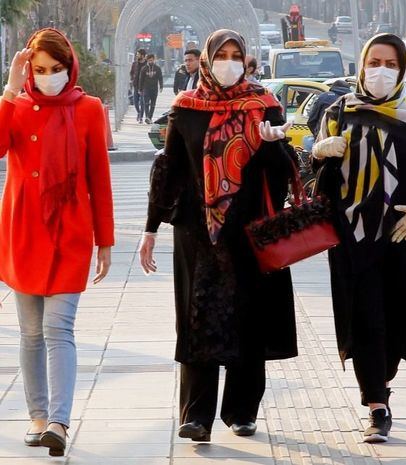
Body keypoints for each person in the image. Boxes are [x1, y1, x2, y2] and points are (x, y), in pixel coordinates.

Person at [139, 29, 297, 443]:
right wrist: (150, 229)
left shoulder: (265, 106)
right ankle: (196, 415)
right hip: (197, 232)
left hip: (250, 232)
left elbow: (284, 176)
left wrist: (273, 145)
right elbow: (169, 170)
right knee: (197, 318)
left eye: (235, 55)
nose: (228, 62)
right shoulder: (187, 108)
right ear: (208, 61)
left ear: (246, 60)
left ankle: (243, 410)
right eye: (221, 55)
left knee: (249, 318)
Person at [312, 33, 406, 443]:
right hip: (351, 236)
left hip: (400, 235)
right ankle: (376, 403)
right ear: (361, 65)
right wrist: (319, 152)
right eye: (373, 62)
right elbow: (319, 177)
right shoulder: (339, 111)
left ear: (402, 68)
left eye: (390, 64)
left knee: (395, 316)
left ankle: (383, 380)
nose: (380, 71)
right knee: (364, 316)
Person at [0, 28, 114, 456]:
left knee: (57, 327)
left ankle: (60, 422)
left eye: (57, 69)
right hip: (22, 231)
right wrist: (10, 89)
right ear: (30, 69)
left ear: (70, 68)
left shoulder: (88, 109)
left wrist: (105, 240)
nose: (49, 76)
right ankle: (37, 416)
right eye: (41, 69)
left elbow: (99, 179)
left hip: (69, 232)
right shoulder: (16, 105)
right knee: (30, 333)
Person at [138, 53, 163, 124]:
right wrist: (140, 89)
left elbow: (160, 78)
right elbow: (141, 79)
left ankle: (150, 117)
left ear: (154, 60)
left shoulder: (157, 68)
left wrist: (161, 86)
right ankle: (147, 117)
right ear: (147, 60)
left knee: (153, 104)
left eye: (151, 60)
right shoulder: (144, 69)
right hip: (146, 88)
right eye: (149, 61)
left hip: (154, 88)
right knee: (146, 103)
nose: (150, 62)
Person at [130, 48, 147, 122]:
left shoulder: (147, 64)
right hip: (136, 85)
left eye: (138, 54)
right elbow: (131, 72)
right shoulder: (135, 63)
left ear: (142, 55)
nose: (137, 56)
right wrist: (132, 78)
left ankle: (141, 117)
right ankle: (139, 112)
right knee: (135, 101)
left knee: (142, 102)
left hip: (144, 86)